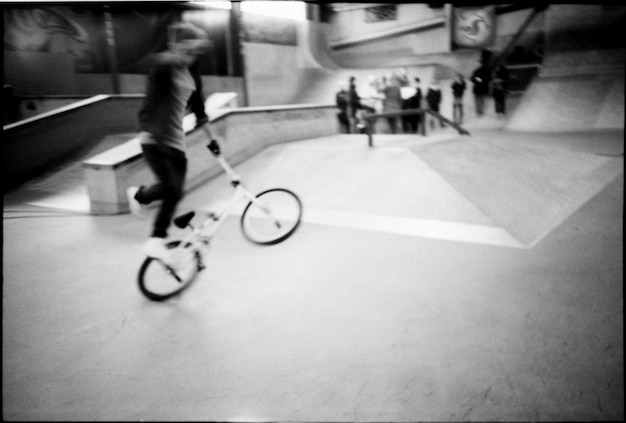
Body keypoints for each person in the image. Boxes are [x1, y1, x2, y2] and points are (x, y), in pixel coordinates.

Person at [126, 21, 212, 264]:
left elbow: (199, 106)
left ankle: (145, 209)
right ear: (177, 47)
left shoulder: (192, 69)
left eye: (195, 53)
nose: (191, 57)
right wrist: (176, 54)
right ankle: (154, 235)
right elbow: (160, 62)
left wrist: (212, 140)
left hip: (176, 141)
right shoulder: (163, 69)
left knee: (175, 193)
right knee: (171, 187)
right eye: (187, 51)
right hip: (153, 137)